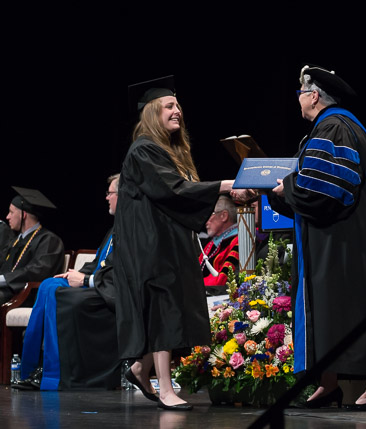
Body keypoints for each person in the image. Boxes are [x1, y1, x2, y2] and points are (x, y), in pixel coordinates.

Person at [267, 64, 366, 410]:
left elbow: (324, 192)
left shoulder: (333, 129)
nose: (298, 99)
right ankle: (328, 385)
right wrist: (285, 191)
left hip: (348, 243)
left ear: (314, 95)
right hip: (344, 238)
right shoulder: (341, 127)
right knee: (331, 310)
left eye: (301, 93)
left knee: (359, 309)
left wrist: (286, 188)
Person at [114, 76, 248, 411]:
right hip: (150, 245)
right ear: (152, 113)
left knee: (174, 308)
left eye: (178, 105)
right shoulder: (144, 149)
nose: (178, 111)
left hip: (166, 242)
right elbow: (172, 190)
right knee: (163, 310)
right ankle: (164, 389)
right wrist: (228, 184)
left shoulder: (165, 151)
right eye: (169, 106)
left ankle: (140, 368)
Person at [12, 174, 121, 391]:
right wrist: (76, 273)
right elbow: (99, 262)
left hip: (112, 292)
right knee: (48, 285)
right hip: (99, 283)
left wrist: (87, 280)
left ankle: (55, 373)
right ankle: (35, 367)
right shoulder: (115, 228)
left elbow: (121, 272)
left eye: (110, 193)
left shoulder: (131, 230)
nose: (106, 197)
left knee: (59, 295)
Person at [0, 187, 64, 305]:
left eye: (11, 212)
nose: (7, 217)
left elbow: (37, 271)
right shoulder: (15, 240)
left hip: (26, 296)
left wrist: (3, 280)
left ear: (23, 215)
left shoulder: (49, 240)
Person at [201, 194, 239, 295]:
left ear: (224, 216)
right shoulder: (211, 243)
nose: (205, 221)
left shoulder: (238, 241)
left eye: (210, 214)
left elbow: (223, 280)